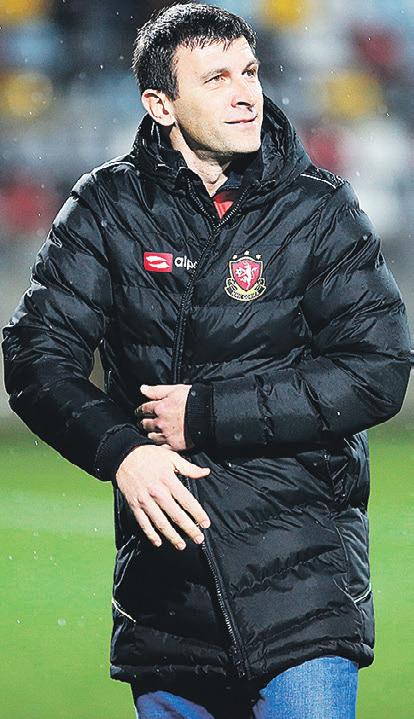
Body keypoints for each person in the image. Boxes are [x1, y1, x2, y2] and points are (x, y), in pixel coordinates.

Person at [2, 3, 412, 718]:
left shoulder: (319, 209)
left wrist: (207, 413)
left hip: (305, 586)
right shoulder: (106, 207)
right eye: (216, 78)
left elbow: (378, 368)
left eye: (249, 71)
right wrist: (123, 451)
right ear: (160, 104)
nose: (245, 93)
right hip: (167, 590)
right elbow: (36, 356)